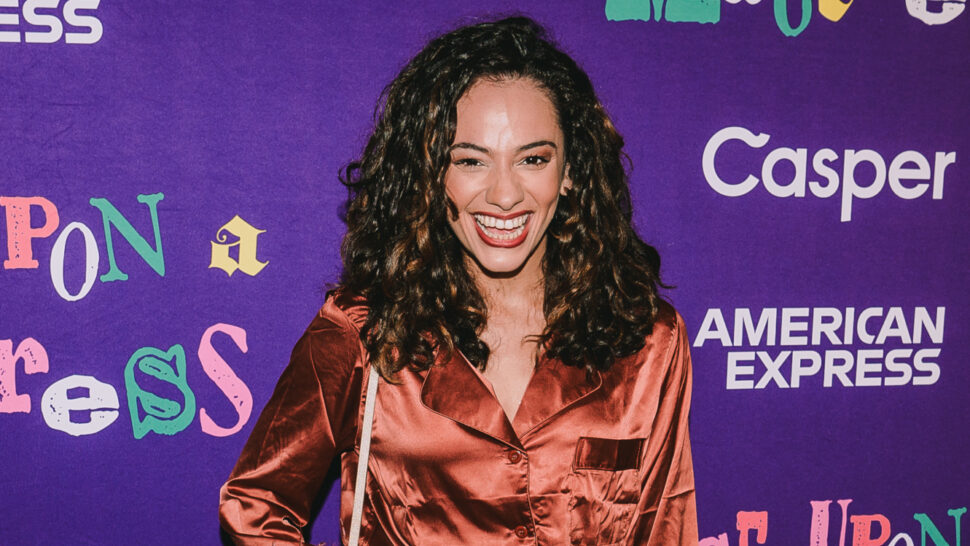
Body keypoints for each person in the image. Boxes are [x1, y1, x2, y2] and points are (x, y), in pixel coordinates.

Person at [220, 16, 697, 545]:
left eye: (533, 159)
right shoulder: (365, 332)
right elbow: (255, 507)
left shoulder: (647, 339)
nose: (505, 195)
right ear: (430, 173)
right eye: (471, 161)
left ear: (570, 172)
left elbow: (664, 528)